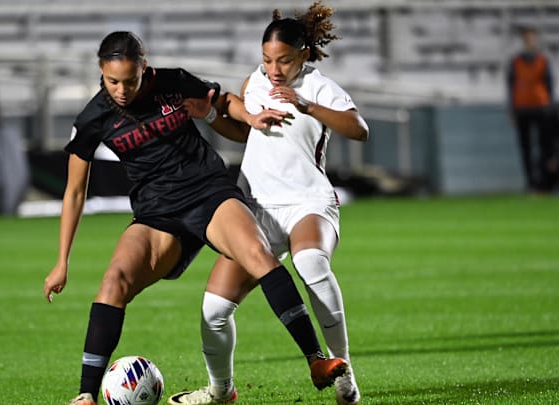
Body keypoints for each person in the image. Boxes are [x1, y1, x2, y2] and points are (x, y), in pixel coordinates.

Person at [42, 31, 348, 405]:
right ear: (101, 73)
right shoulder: (93, 117)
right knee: (114, 282)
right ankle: (86, 394)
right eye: (112, 81)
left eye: (130, 80)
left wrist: (248, 117)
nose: (121, 90)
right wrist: (62, 263)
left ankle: (316, 360)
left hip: (209, 193)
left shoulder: (174, 82)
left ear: (144, 67)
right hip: (156, 214)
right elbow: (75, 192)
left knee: (258, 254)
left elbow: (223, 101)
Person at [168, 3, 368, 404]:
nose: (274, 69)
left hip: (307, 202)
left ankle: (342, 368)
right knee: (213, 309)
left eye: (284, 60)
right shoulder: (254, 83)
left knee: (310, 262)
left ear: (304, 55)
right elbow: (247, 134)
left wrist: (306, 106)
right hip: (254, 207)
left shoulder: (318, 86)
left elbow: (358, 129)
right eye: (267, 59)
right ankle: (220, 391)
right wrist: (209, 118)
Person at [508, 25, 557, 193]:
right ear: (523, 40)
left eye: (531, 37)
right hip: (522, 108)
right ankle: (530, 183)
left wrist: (550, 107)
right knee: (526, 148)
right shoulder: (515, 61)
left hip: (542, 108)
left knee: (545, 147)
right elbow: (511, 86)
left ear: (535, 39)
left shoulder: (543, 60)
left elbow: (549, 86)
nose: (529, 40)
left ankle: (544, 183)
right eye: (526, 37)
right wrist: (512, 110)